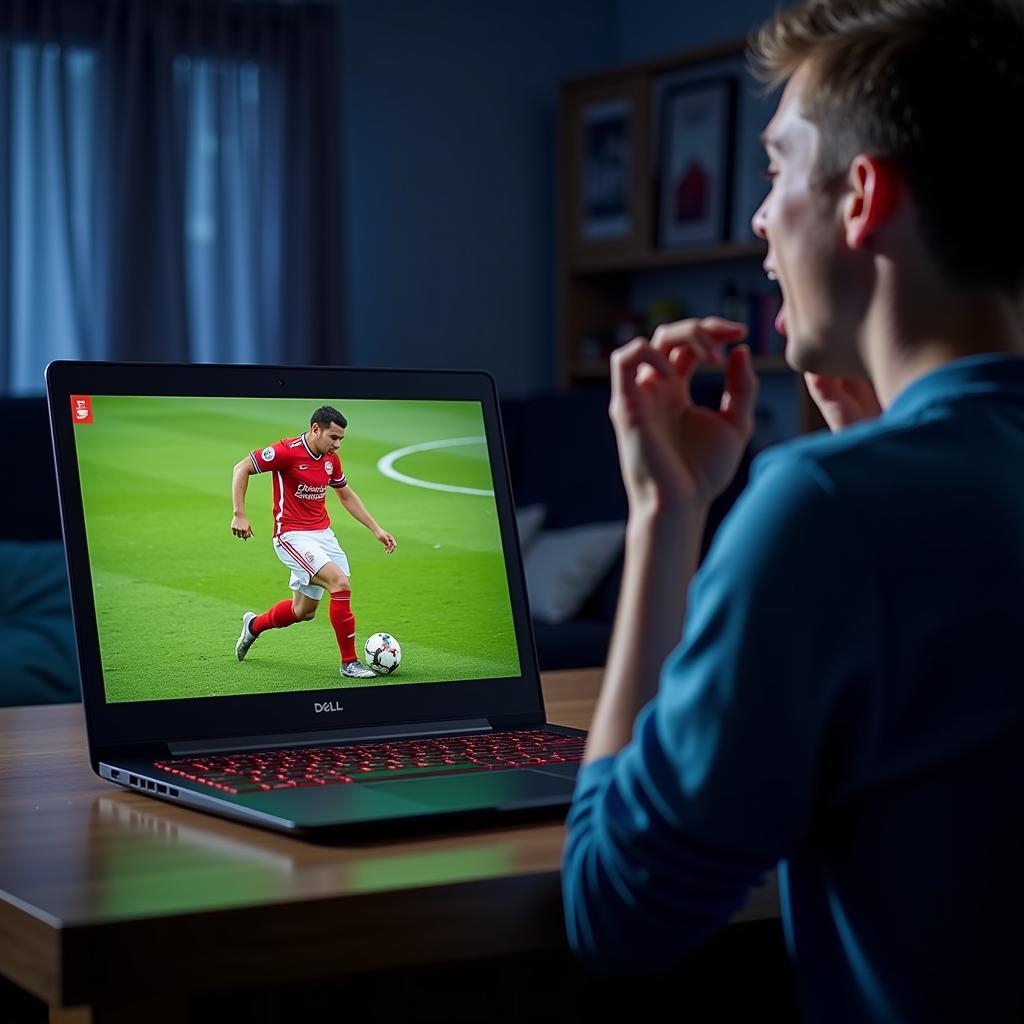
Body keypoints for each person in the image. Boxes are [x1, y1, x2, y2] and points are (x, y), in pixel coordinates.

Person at [561, 1, 1024, 1020]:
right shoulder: (855, 487)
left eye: (774, 169)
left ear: (860, 198)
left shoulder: (820, 508)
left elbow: (615, 912)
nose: (760, 218)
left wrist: (662, 515)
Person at [231, 405, 396, 679]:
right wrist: (239, 514)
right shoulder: (286, 451)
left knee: (303, 611)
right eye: (333, 437)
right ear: (315, 429)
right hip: (291, 536)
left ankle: (253, 626)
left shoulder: (331, 459)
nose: (338, 444)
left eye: (341, 438)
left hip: (323, 535)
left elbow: (345, 495)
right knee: (340, 584)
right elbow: (242, 467)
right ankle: (349, 663)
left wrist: (375, 528)